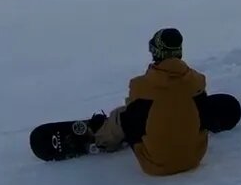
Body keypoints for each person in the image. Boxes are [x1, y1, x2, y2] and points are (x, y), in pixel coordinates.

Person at [87, 28, 218, 176]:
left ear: (157, 53)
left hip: (156, 165)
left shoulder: (141, 86)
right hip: (194, 158)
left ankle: (101, 138)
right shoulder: (197, 81)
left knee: (123, 115)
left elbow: (133, 117)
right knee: (189, 105)